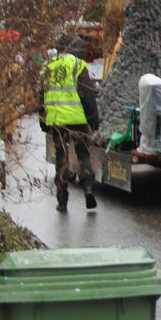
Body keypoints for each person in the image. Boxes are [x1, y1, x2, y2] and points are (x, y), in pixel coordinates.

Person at [40, 36, 99, 212]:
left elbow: (40, 98)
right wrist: (93, 119)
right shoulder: (78, 66)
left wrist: (43, 121)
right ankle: (88, 188)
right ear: (77, 50)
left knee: (61, 157)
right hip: (78, 120)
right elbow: (88, 95)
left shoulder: (47, 68)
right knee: (83, 155)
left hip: (58, 122)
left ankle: (62, 200)